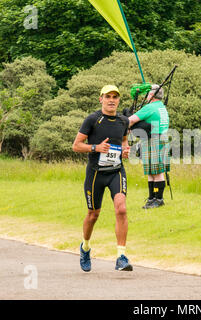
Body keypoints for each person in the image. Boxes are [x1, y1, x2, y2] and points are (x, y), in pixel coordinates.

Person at [72, 85, 132, 272]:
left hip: (116, 171)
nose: (112, 100)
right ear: (101, 99)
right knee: (93, 214)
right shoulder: (92, 119)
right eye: (108, 96)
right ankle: (85, 247)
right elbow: (76, 145)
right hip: (96, 174)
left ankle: (121, 256)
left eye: (115, 97)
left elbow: (123, 141)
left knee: (121, 209)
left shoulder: (123, 121)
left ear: (119, 100)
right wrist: (95, 148)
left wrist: (125, 150)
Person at [128, 84, 170, 209]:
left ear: (151, 95)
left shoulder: (149, 107)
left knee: (156, 172)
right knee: (151, 171)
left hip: (154, 140)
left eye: (148, 94)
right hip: (159, 138)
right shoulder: (161, 106)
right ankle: (152, 198)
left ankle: (158, 199)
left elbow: (130, 120)